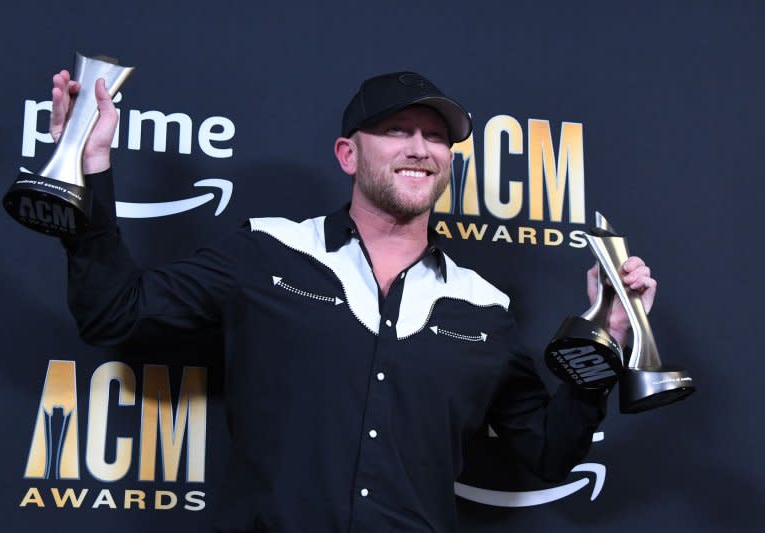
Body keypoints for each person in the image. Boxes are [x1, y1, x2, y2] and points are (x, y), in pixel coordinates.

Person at [52, 69, 656, 532]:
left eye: (437, 136)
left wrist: (605, 337)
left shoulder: (484, 306)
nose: (420, 147)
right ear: (349, 155)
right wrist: (89, 165)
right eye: (398, 130)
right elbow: (112, 311)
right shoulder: (270, 251)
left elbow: (549, 454)